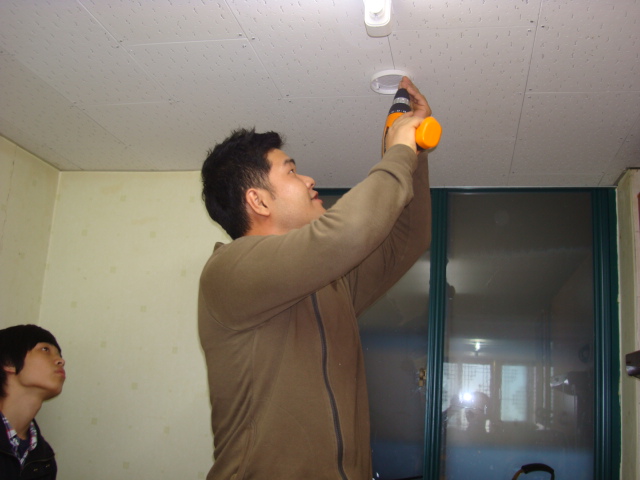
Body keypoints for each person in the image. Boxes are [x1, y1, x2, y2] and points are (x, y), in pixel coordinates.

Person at [198, 77, 433, 480]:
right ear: (258, 200)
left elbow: (406, 239)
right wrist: (397, 152)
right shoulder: (229, 272)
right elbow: (348, 233)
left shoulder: (328, 282)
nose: (309, 180)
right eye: (292, 172)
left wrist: (414, 154)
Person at [0, 324, 65, 479]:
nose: (61, 361)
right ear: (8, 362)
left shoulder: (45, 459)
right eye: (45, 349)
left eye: (59, 354)